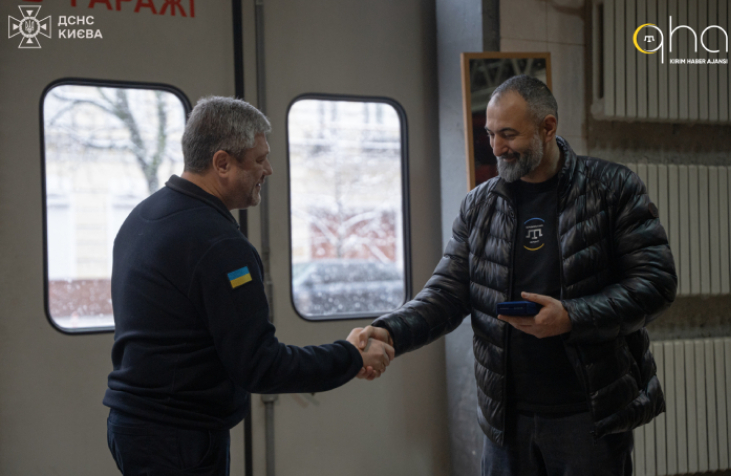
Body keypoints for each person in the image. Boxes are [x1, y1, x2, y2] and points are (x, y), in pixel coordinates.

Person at [358, 75, 677, 475]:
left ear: (548, 127)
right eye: (490, 134)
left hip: (588, 417)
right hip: (506, 421)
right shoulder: (479, 205)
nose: (496, 147)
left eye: (509, 134)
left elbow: (656, 284)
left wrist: (571, 316)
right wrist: (389, 331)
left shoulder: (612, 189)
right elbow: (446, 294)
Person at [103, 96, 394, 476]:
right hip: (178, 439)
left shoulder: (146, 215)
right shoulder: (218, 244)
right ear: (222, 163)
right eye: (259, 160)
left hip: (135, 426)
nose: (268, 170)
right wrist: (350, 356)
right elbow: (260, 365)